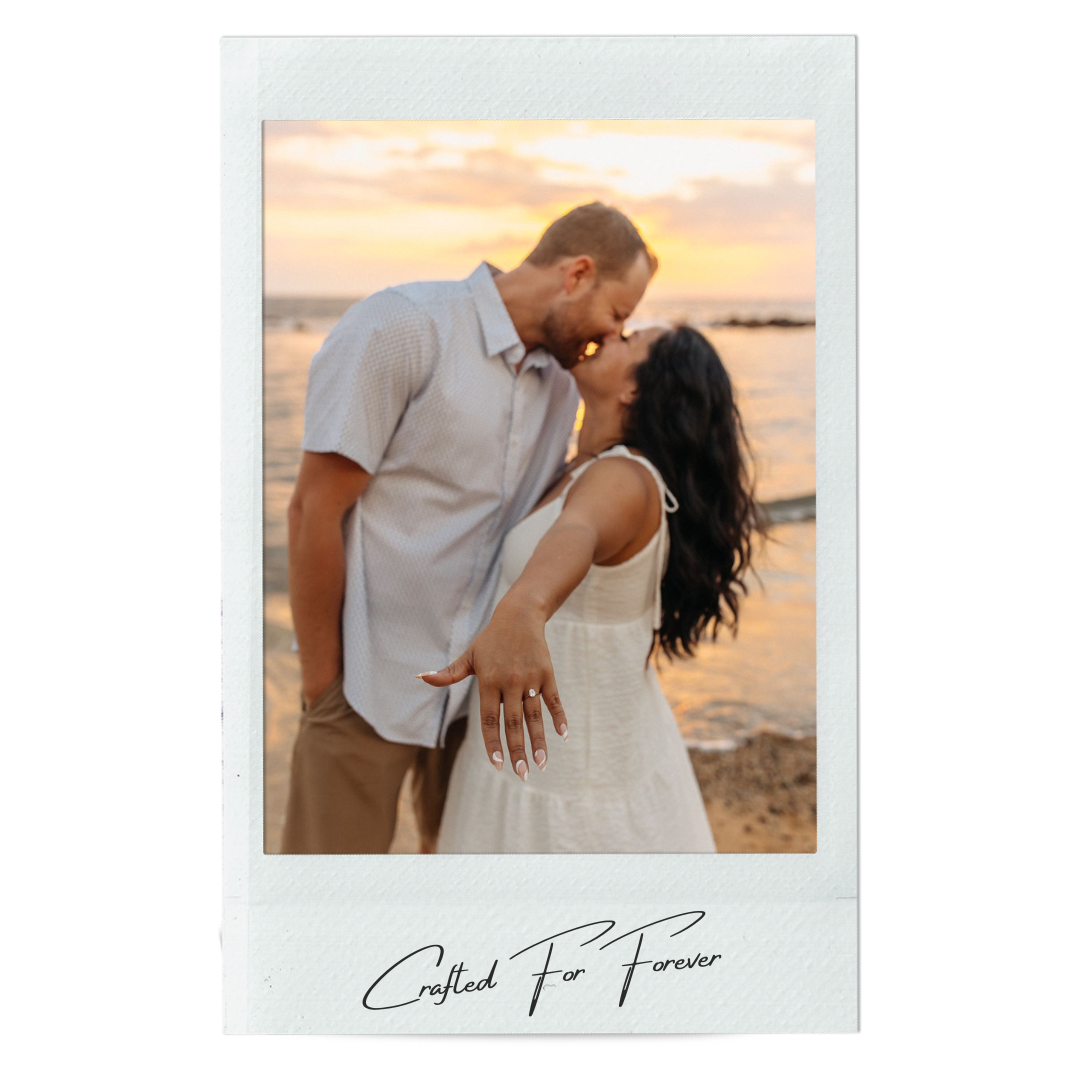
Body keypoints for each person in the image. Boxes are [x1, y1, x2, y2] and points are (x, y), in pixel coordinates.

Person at [281, 202, 657, 854]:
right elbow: (313, 510)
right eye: (618, 313)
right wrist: (323, 688)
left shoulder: (563, 390)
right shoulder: (403, 327)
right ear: (577, 275)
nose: (612, 334)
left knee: (452, 902)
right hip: (365, 686)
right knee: (328, 903)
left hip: (474, 708)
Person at [426, 325, 762, 852]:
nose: (609, 334)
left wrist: (526, 607)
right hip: (532, 755)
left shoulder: (626, 480)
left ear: (635, 388)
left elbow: (576, 531)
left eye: (629, 339)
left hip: (578, 785)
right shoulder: (576, 468)